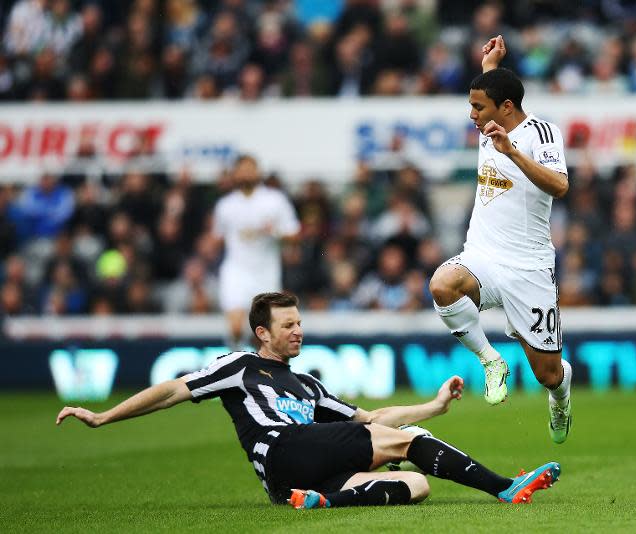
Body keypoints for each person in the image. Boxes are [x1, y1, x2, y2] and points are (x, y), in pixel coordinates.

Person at [56, 291, 561, 509]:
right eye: (288, 325)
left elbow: (370, 418)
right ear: (262, 332)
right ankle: (503, 488)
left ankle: (321, 503)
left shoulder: (307, 385)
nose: (299, 331)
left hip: (299, 477)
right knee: (404, 444)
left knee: (414, 483)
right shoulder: (239, 367)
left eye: (300, 322)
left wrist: (431, 407)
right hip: (281, 450)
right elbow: (172, 389)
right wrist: (103, 416)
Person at [428, 35, 573, 444]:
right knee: (442, 284)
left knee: (547, 373)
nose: (472, 115)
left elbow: (560, 186)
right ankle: (491, 361)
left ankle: (561, 398)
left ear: (506, 108)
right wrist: (490, 63)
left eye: (478, 107)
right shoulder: (491, 117)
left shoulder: (541, 134)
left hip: (528, 268)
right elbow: (494, 89)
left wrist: (512, 153)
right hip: (483, 255)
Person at [212, 155, 300, 349]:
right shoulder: (225, 205)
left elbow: (294, 233)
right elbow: (216, 238)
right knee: (235, 327)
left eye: (250, 169)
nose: (246, 173)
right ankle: (235, 367)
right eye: (242, 169)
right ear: (235, 173)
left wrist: (274, 231)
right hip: (236, 271)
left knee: (262, 332)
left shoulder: (274, 200)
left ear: (258, 172)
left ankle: (258, 371)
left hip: (265, 273)